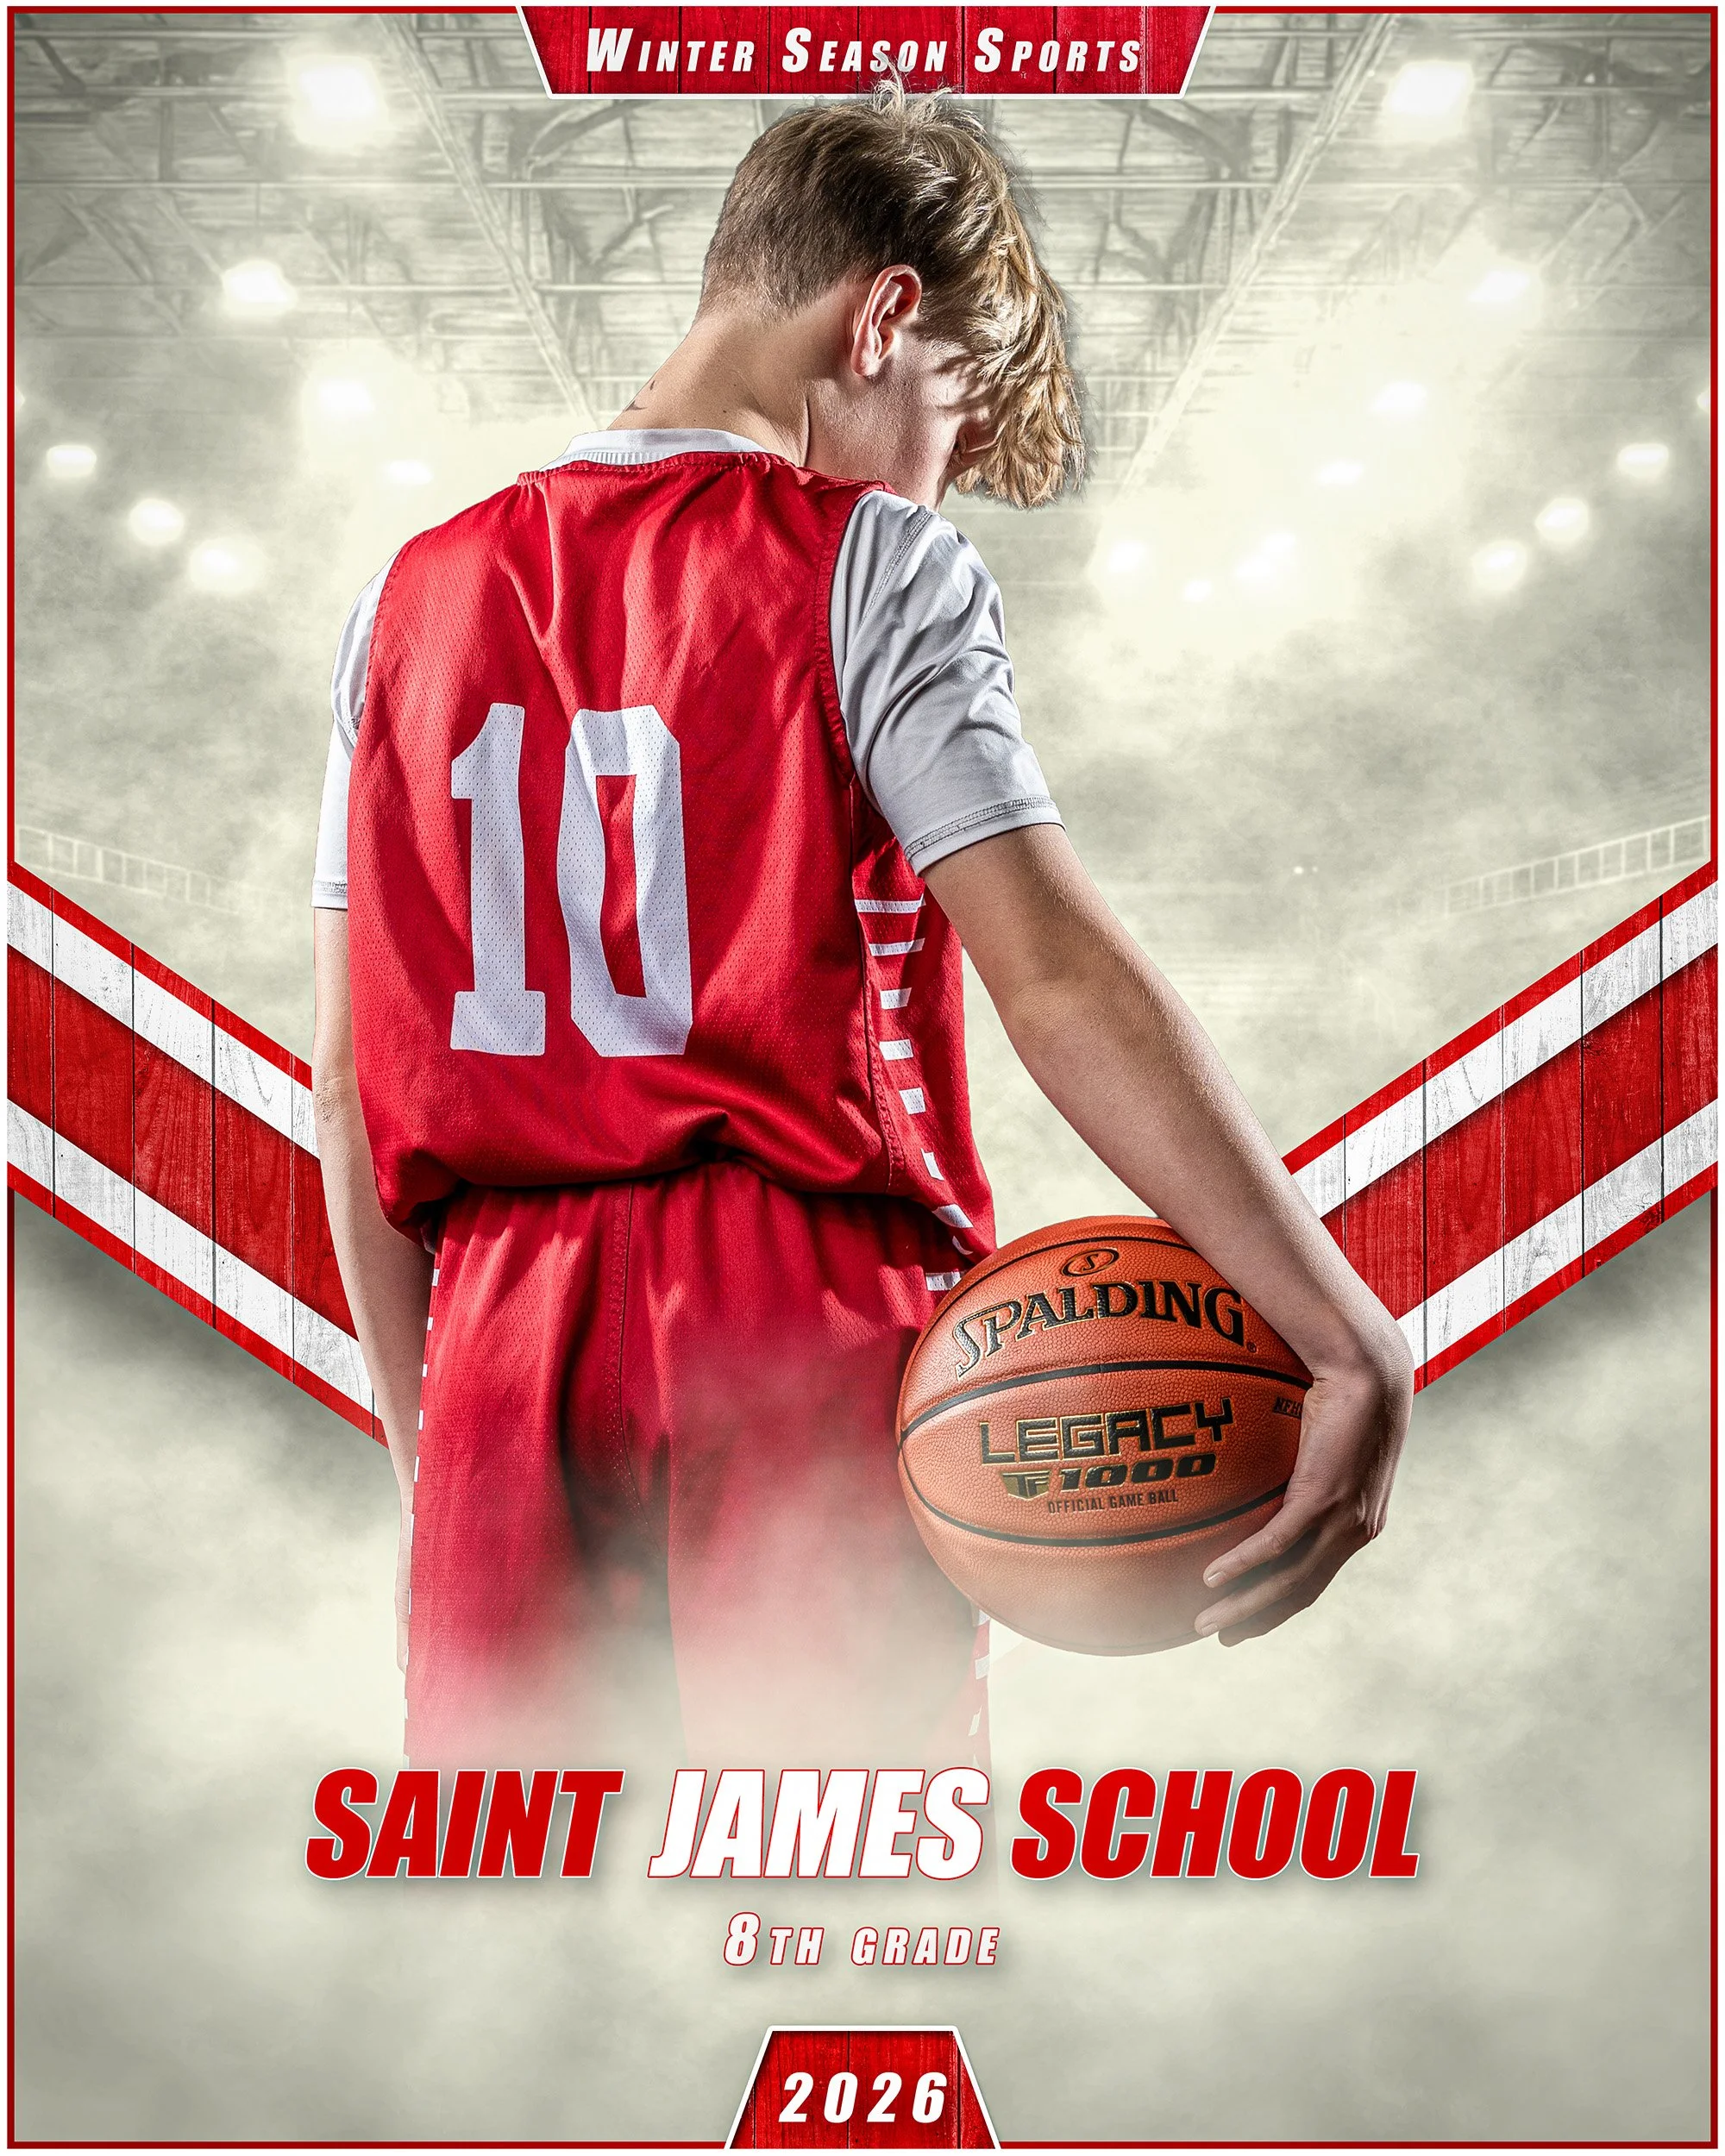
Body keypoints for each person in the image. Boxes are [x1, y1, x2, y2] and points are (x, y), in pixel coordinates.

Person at [310, 88, 1413, 1771]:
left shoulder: (404, 594)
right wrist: (1340, 1327)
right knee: (833, 1921)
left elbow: (350, 1087)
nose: (938, 478)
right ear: (885, 316)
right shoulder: (868, 559)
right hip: (791, 1319)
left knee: (511, 1964)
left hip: (494, 1325)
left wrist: (434, 1444)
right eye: (954, 429)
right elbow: (1045, 967)